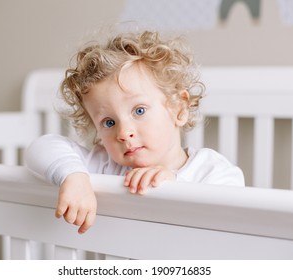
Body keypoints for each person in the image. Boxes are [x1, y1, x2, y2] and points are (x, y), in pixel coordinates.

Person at [25, 30, 244, 234]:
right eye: (108, 122)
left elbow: (234, 217)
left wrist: (174, 185)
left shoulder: (211, 171)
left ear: (179, 108)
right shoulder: (104, 166)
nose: (123, 132)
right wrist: (73, 177)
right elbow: (40, 148)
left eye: (139, 110)